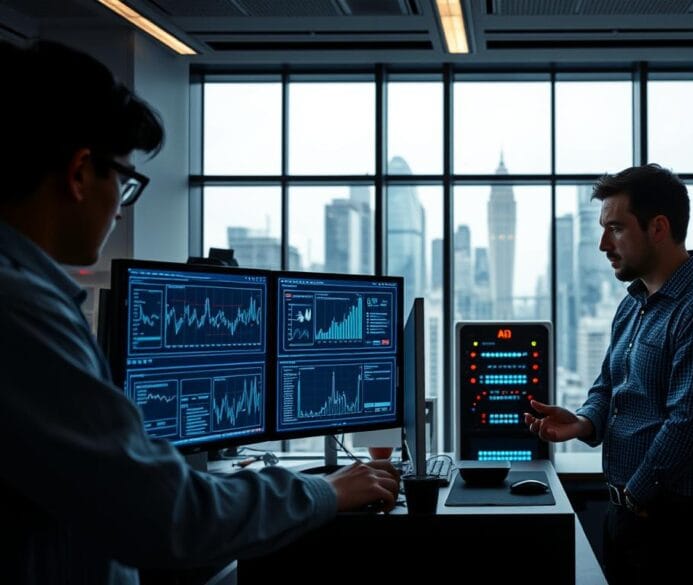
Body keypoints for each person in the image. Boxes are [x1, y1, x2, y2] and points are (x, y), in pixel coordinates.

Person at [0, 40, 399, 585]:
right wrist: (325, 490)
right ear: (78, 173)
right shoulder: (21, 313)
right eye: (125, 180)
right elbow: (164, 513)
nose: (120, 205)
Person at [524, 164, 693, 585]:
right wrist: (584, 421)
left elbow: (690, 424)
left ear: (658, 227)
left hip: (679, 526)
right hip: (631, 516)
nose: (602, 244)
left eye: (616, 228)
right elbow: (608, 385)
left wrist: (636, 492)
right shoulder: (633, 303)